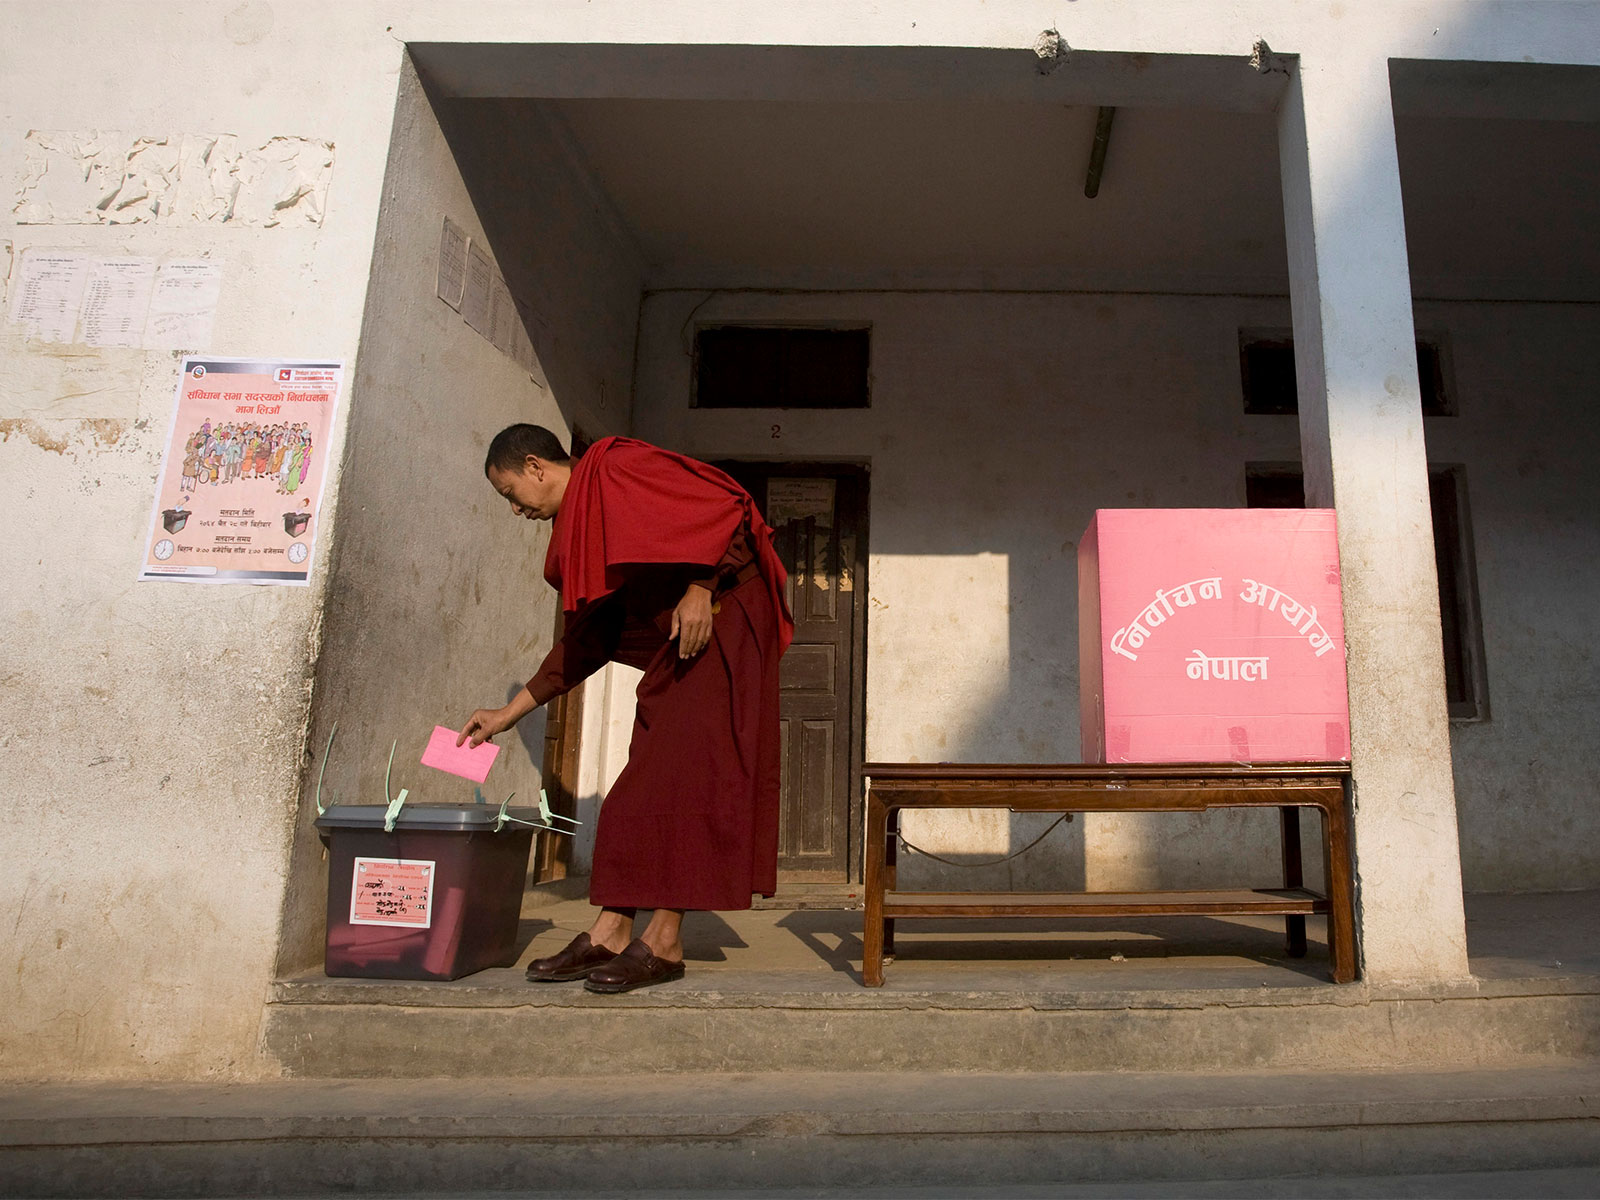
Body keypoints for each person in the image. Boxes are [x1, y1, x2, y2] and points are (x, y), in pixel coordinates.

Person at [459, 425, 792, 994]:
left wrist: (697, 585)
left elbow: (728, 503)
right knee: (644, 787)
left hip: (726, 613)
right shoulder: (587, 520)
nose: (516, 510)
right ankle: (612, 929)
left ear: (537, 466)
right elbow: (592, 635)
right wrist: (509, 713)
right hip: (687, 640)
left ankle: (663, 939)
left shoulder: (614, 468)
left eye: (511, 494)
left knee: (681, 779)